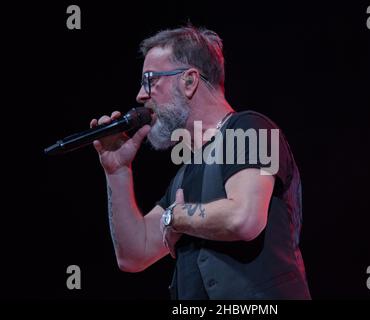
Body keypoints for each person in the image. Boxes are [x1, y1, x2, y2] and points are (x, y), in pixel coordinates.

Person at [90, 25, 311, 299]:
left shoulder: (251, 128)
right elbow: (134, 254)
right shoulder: (184, 175)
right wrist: (118, 171)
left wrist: (176, 217)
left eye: (150, 80)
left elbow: (244, 218)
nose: (140, 95)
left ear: (190, 81)